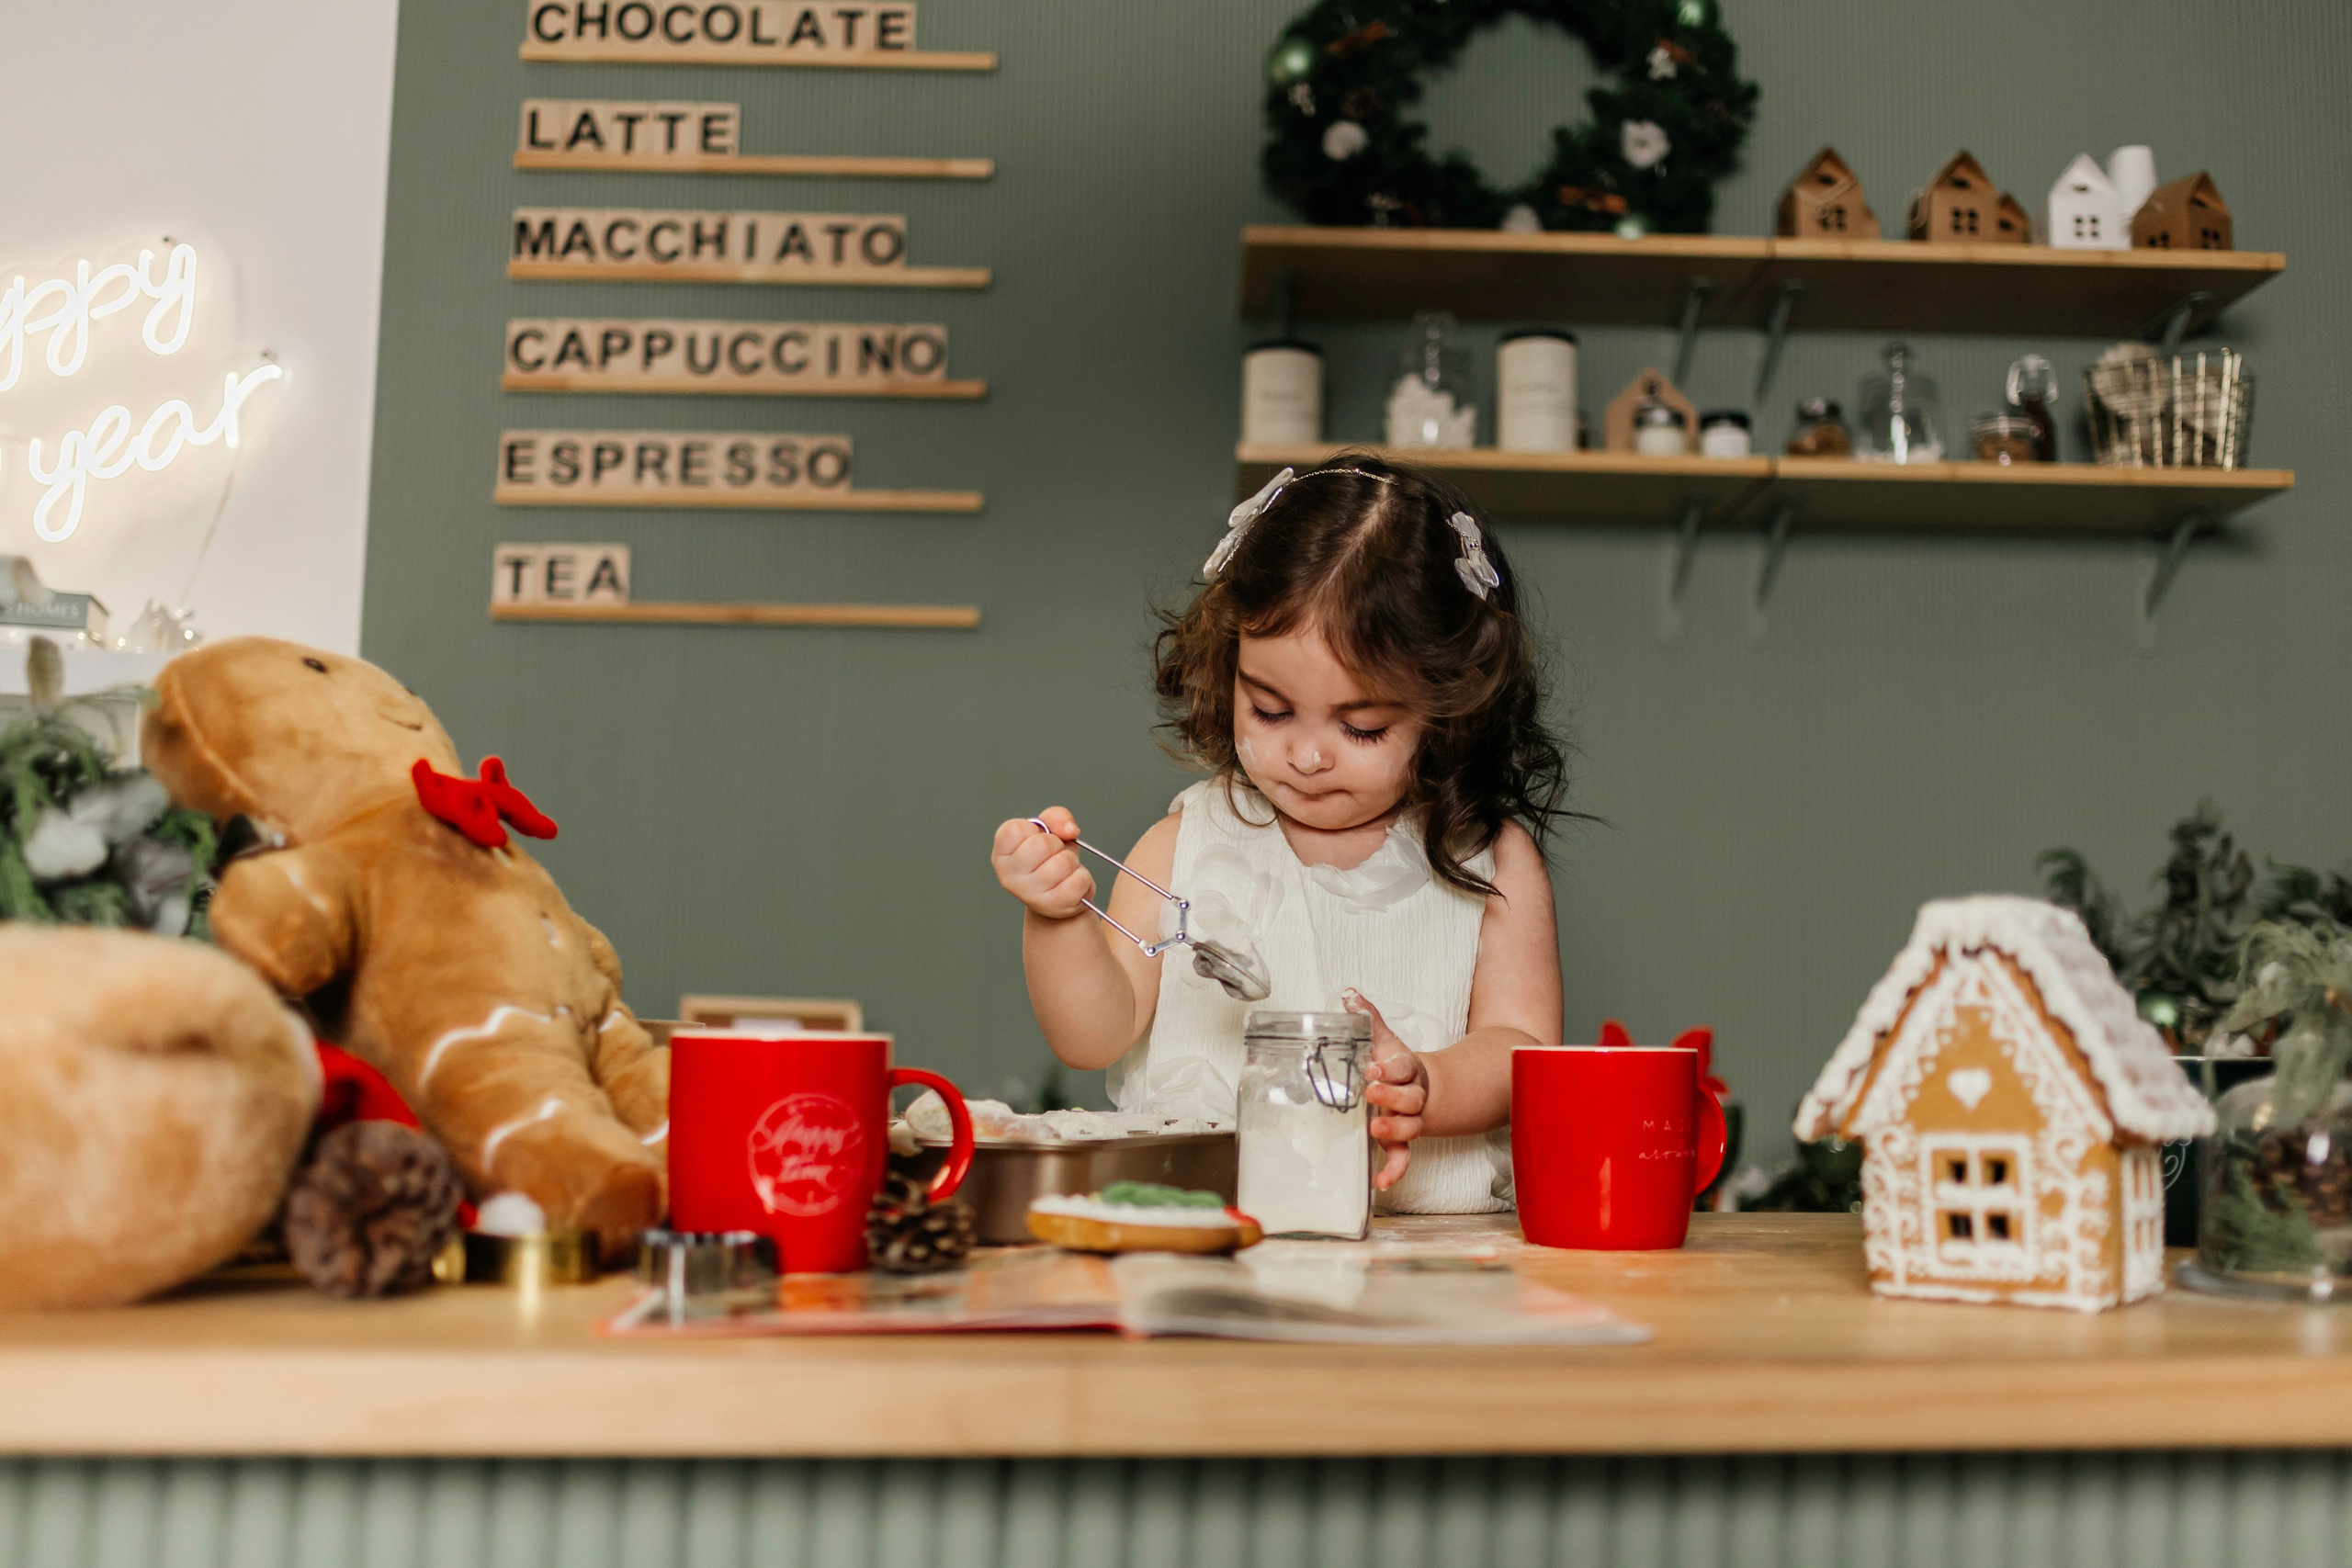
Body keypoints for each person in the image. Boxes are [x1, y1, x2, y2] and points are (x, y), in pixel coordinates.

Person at [989, 455, 1572, 1211]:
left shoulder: (1490, 862)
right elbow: (1093, 1036)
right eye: (1269, 709)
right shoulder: (1184, 844)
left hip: (1426, 1258)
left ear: (1449, 708)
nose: (1305, 754)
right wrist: (1058, 918)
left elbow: (1525, 1044)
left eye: (1361, 727)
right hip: (1205, 1239)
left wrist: (1431, 1083)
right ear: (1229, 667)